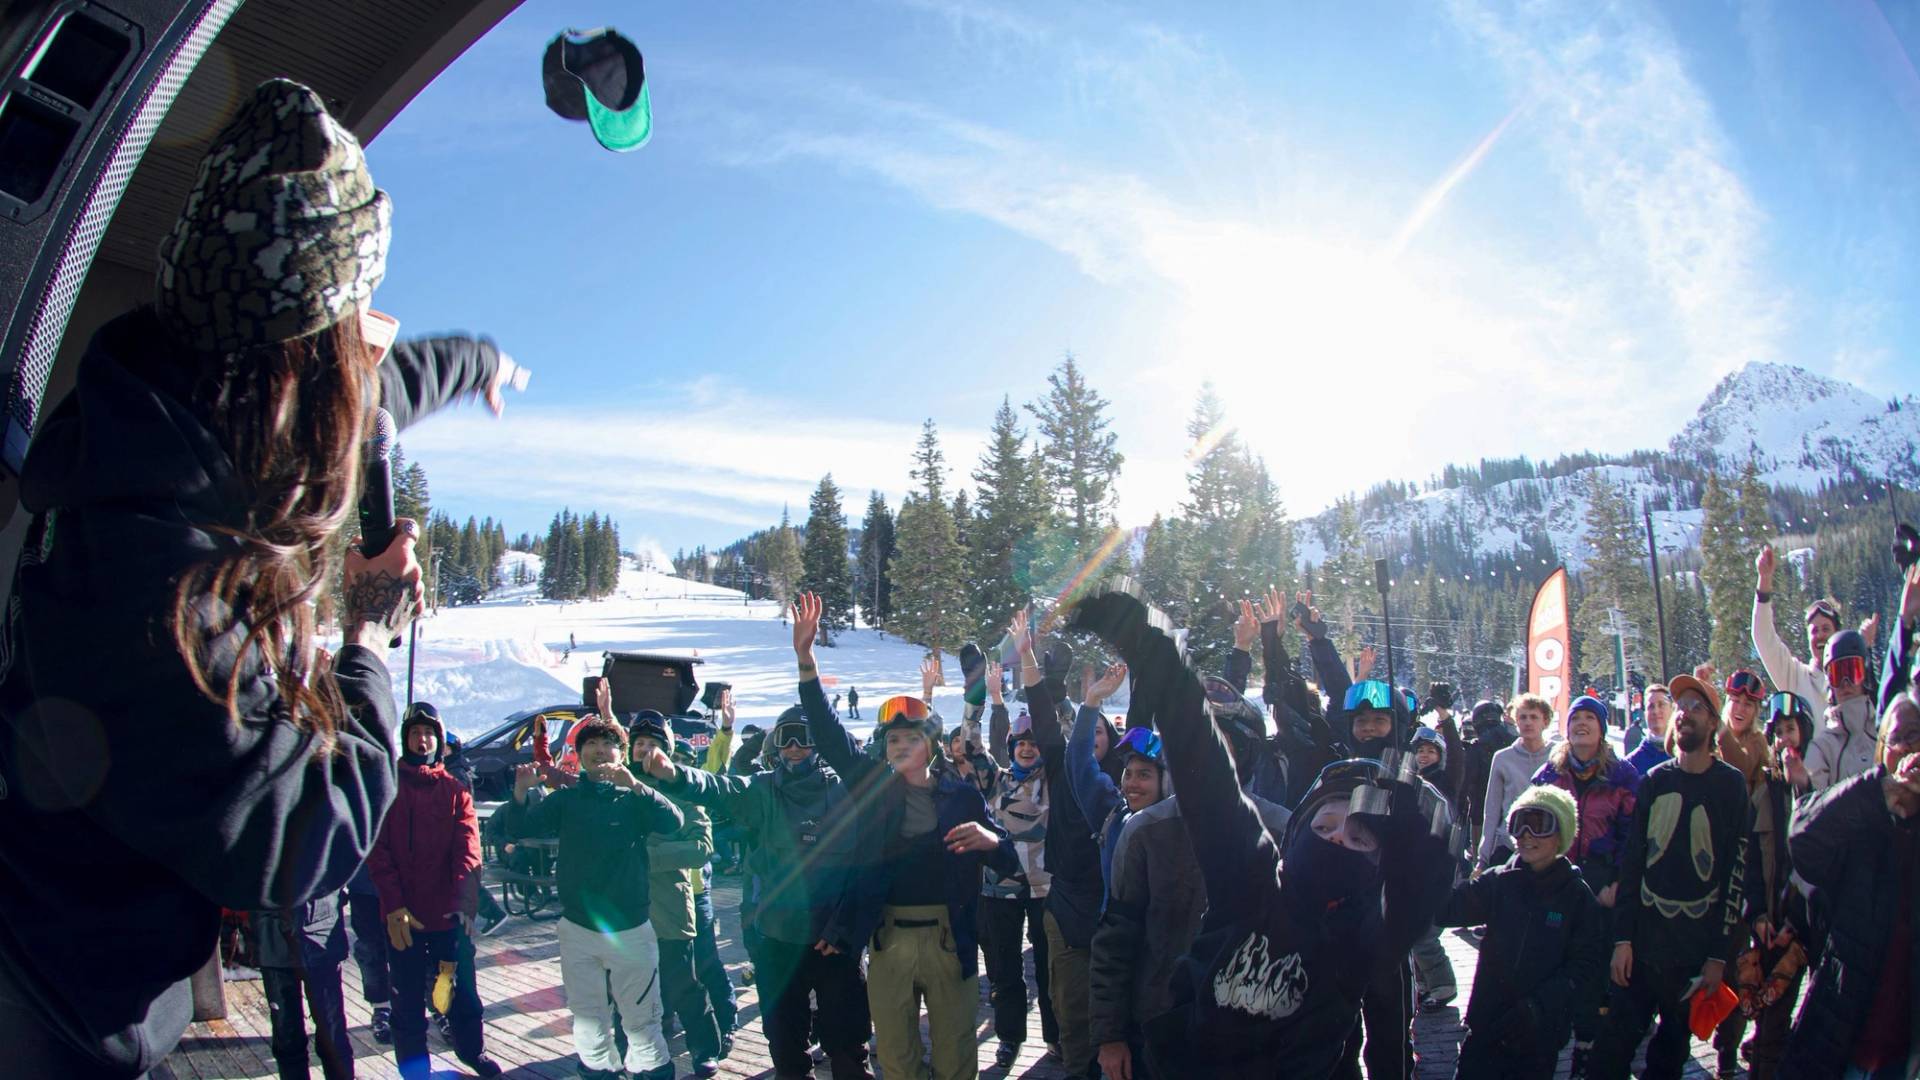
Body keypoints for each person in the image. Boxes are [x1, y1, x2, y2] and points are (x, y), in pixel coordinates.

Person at [0, 75, 530, 1076]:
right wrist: (368, 631)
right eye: (350, 318)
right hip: (57, 1015)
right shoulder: (159, 577)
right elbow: (302, 839)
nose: (364, 341)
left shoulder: (170, 411)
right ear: (298, 353)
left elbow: (373, 395)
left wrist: (476, 362)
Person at [1063, 583, 1453, 1079]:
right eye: (1327, 823)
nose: (1337, 838)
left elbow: (1389, 1039)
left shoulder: (1366, 936)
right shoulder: (1252, 880)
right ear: (1299, 830)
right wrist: (1154, 646)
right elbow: (1203, 761)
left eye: (1358, 839)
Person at [794, 593, 1018, 1080]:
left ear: (930, 747)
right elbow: (831, 738)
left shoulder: (961, 797)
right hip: (888, 939)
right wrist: (806, 662)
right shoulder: (873, 791)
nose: (898, 745)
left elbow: (1010, 861)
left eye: (910, 738)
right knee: (895, 1057)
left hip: (948, 940)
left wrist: (992, 840)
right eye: (892, 739)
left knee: (957, 1053)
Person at [639, 705, 872, 1080]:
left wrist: (846, 926)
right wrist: (672, 774)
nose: (795, 748)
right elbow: (719, 788)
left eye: (804, 738)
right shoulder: (762, 789)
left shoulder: (845, 791)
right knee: (786, 1041)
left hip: (833, 939)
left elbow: (864, 868)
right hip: (779, 937)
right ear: (774, 745)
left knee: (847, 1042)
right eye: (785, 739)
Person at [1089, 676, 1291, 1080]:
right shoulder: (1145, 831)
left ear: (1246, 751)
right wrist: (1110, 1037)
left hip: (1256, 1034)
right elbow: (1116, 939)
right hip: (1161, 1025)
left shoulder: (1283, 830)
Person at [1591, 673, 1749, 1080]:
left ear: (1714, 722)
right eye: (1682, 706)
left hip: (1694, 951)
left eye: (1697, 707)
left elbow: (1735, 875)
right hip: (1643, 945)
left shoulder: (1731, 786)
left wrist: (1718, 956)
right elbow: (1632, 864)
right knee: (1609, 1053)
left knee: (1668, 1060)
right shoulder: (1656, 781)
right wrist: (1622, 939)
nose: (1685, 714)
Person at [510, 717, 685, 1080]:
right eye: (590, 745)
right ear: (580, 755)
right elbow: (518, 829)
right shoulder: (567, 799)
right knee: (588, 1019)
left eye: (607, 746)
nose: (599, 751)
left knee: (641, 1021)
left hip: (631, 929)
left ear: (621, 755)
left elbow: (674, 823)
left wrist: (635, 785)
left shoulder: (634, 798)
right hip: (578, 928)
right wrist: (521, 794)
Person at [1782, 693, 1920, 1078]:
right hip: (1842, 1039)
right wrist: (1882, 790)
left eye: (1918, 736)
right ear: (1881, 751)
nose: (1909, 748)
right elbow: (1801, 840)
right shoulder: (1862, 816)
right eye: (1899, 738)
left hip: (1904, 1054)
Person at [1433, 784, 1604, 1080]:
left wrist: (1538, 1008)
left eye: (1538, 825)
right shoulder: (1498, 881)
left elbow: (1585, 965)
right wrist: (1434, 862)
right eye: (1518, 824)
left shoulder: (1577, 897)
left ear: (1561, 833)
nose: (1525, 835)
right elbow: (1446, 910)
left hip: (1538, 1036)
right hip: (1487, 1025)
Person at [366, 703, 499, 1079]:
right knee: (406, 1000)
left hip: (446, 917)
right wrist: (393, 905)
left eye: (429, 734)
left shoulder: (454, 791)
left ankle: (473, 1050)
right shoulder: (389, 789)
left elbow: (468, 851)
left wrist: (464, 904)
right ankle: (414, 1068)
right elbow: (379, 853)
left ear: (439, 740)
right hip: (403, 919)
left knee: (458, 992)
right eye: (415, 733)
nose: (422, 740)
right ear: (405, 739)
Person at [1016, 607, 1117, 1078]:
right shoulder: (1060, 763)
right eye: (1088, 730)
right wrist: (1028, 659)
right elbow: (1040, 707)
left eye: (1101, 732)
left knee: (1120, 1015)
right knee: (1071, 1010)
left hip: (1118, 907)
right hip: (1067, 902)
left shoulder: (1123, 781)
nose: (1094, 736)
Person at [1527, 695, 1638, 1066]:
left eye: (1590, 718)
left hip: (1602, 882)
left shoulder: (1623, 776)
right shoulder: (1550, 774)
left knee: (1593, 969)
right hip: (1558, 881)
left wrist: (1619, 881)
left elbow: (1634, 835)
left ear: (1603, 729)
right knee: (1553, 965)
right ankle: (1547, 1041)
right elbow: (1531, 822)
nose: (1582, 725)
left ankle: (1588, 1047)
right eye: (1576, 719)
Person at [1715, 690, 1817, 1080]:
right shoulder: (1763, 792)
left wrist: (1805, 788)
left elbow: (1819, 859)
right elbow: (1751, 864)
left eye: (1791, 730)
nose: (1785, 740)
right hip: (1773, 929)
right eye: (1778, 733)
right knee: (1770, 1024)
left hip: (1810, 927)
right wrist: (1755, 913)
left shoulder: (1823, 784)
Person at [628, 713, 724, 1078]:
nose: (646, 751)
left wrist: (647, 857)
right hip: (626, 910)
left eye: (653, 745)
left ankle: (704, 1049)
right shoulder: (621, 788)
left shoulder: (682, 791)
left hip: (669, 907)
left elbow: (701, 847)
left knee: (684, 984)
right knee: (631, 988)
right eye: (639, 744)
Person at [978, 706, 1057, 1070]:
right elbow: (972, 746)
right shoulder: (996, 779)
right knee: (1005, 968)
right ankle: (1010, 1037)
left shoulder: (1056, 779)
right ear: (1011, 747)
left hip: (1045, 890)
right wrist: (983, 699)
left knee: (1048, 966)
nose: (1028, 748)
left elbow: (1063, 740)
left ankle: (1056, 1036)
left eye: (1034, 742)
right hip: (999, 890)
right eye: (1021, 742)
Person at [250, 893, 354, 1080]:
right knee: (287, 1033)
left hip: (322, 930)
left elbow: (342, 867)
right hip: (272, 935)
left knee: (332, 1030)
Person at [1752, 544, 1841, 707]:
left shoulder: (1852, 681)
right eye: (1814, 631)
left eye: (1826, 629)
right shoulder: (1796, 678)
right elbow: (1763, 637)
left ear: (1838, 634)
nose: (1820, 635)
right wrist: (1764, 581)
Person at [1478, 693, 1556, 870]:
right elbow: (1491, 811)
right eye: (1522, 717)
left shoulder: (1558, 755)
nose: (1528, 722)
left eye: (1534, 717)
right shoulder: (1502, 758)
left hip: (1548, 849)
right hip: (1509, 846)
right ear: (1515, 721)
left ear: (1545, 722)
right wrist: (1483, 859)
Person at [1807, 628, 1879, 790]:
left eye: (1853, 671)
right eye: (1837, 674)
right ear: (1829, 682)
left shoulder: (1884, 733)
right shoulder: (1822, 747)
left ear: (1865, 675)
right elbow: (1813, 809)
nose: (1846, 683)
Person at [1626, 683, 1676, 776]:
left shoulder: (1686, 756)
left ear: (1672, 709)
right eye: (1651, 706)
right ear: (1645, 713)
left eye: (1661, 704)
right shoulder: (1630, 765)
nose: (1656, 711)